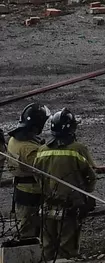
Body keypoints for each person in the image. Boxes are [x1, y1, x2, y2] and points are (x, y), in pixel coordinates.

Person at [31, 109, 95, 260]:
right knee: (67, 248)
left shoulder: (42, 150)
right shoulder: (78, 149)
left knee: (47, 246)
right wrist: (86, 194)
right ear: (71, 128)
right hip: (70, 207)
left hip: (47, 204)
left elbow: (36, 174)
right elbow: (91, 175)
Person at [6, 104, 49, 242]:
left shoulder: (15, 139)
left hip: (21, 191)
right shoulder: (29, 149)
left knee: (26, 227)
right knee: (30, 234)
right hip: (31, 194)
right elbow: (45, 169)